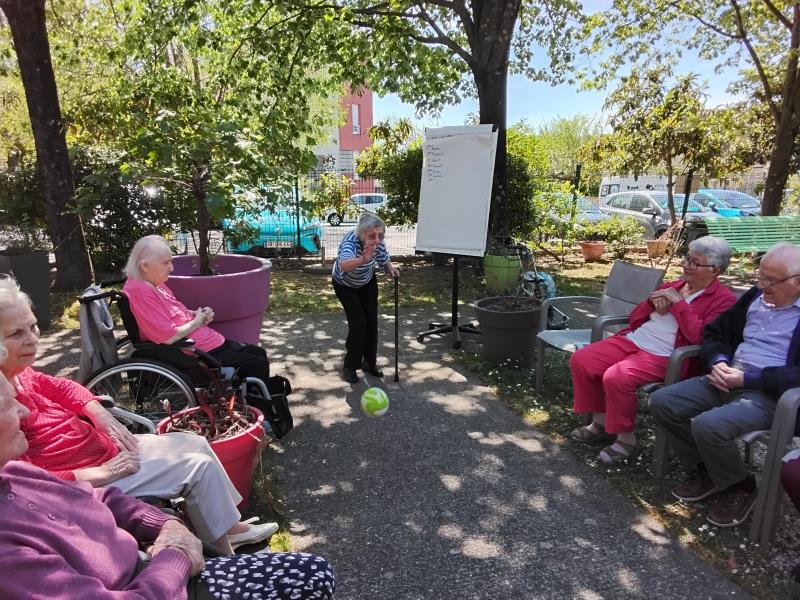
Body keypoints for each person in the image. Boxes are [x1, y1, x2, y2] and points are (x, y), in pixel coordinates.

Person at [0, 351, 336, 599]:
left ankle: (226, 529)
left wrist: (165, 525)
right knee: (313, 575)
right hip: (155, 581)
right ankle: (223, 545)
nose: (24, 411)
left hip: (144, 550)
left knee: (195, 442)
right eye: (6, 405)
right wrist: (176, 555)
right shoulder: (9, 551)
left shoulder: (13, 473)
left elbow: (98, 497)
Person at [0, 277, 276, 553]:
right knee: (197, 468)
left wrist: (98, 412)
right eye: (16, 334)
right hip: (88, 482)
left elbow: (63, 387)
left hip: (106, 452)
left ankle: (228, 530)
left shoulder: (21, 374)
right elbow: (27, 483)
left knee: (195, 442)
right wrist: (101, 472)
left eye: (33, 326)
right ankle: (225, 560)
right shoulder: (4, 408)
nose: (32, 339)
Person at [650, 242, 800, 528]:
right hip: (726, 376)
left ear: (798, 282)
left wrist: (748, 379)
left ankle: (741, 486)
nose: (761, 285)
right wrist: (718, 361)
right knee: (663, 402)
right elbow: (715, 333)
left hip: (772, 394)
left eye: (770, 280)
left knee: (709, 425)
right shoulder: (755, 296)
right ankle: (707, 469)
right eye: (760, 275)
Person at [570, 236, 736, 465]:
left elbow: (702, 337)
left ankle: (626, 440)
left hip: (669, 355)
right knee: (583, 359)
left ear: (714, 270)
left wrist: (678, 304)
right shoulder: (672, 286)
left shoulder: (724, 300)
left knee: (617, 377)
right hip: (635, 340)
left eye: (694, 262)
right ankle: (601, 422)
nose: (686, 265)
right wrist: (650, 301)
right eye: (686, 258)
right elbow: (635, 319)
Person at [122, 235, 270, 392]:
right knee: (257, 363)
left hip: (207, 343)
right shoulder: (141, 291)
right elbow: (168, 336)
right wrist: (196, 322)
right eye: (166, 263)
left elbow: (175, 314)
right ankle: (257, 402)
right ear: (144, 266)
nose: (171, 268)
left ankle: (257, 399)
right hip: (196, 351)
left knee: (257, 352)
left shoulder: (155, 285)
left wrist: (199, 315)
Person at [332, 213, 400, 384]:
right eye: (372, 236)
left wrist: (390, 269)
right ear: (362, 233)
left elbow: (384, 258)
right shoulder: (350, 242)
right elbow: (344, 265)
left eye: (380, 235)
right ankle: (350, 365)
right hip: (345, 284)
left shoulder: (378, 241)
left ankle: (369, 362)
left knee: (371, 321)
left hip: (367, 281)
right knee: (358, 323)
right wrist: (363, 258)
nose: (377, 240)